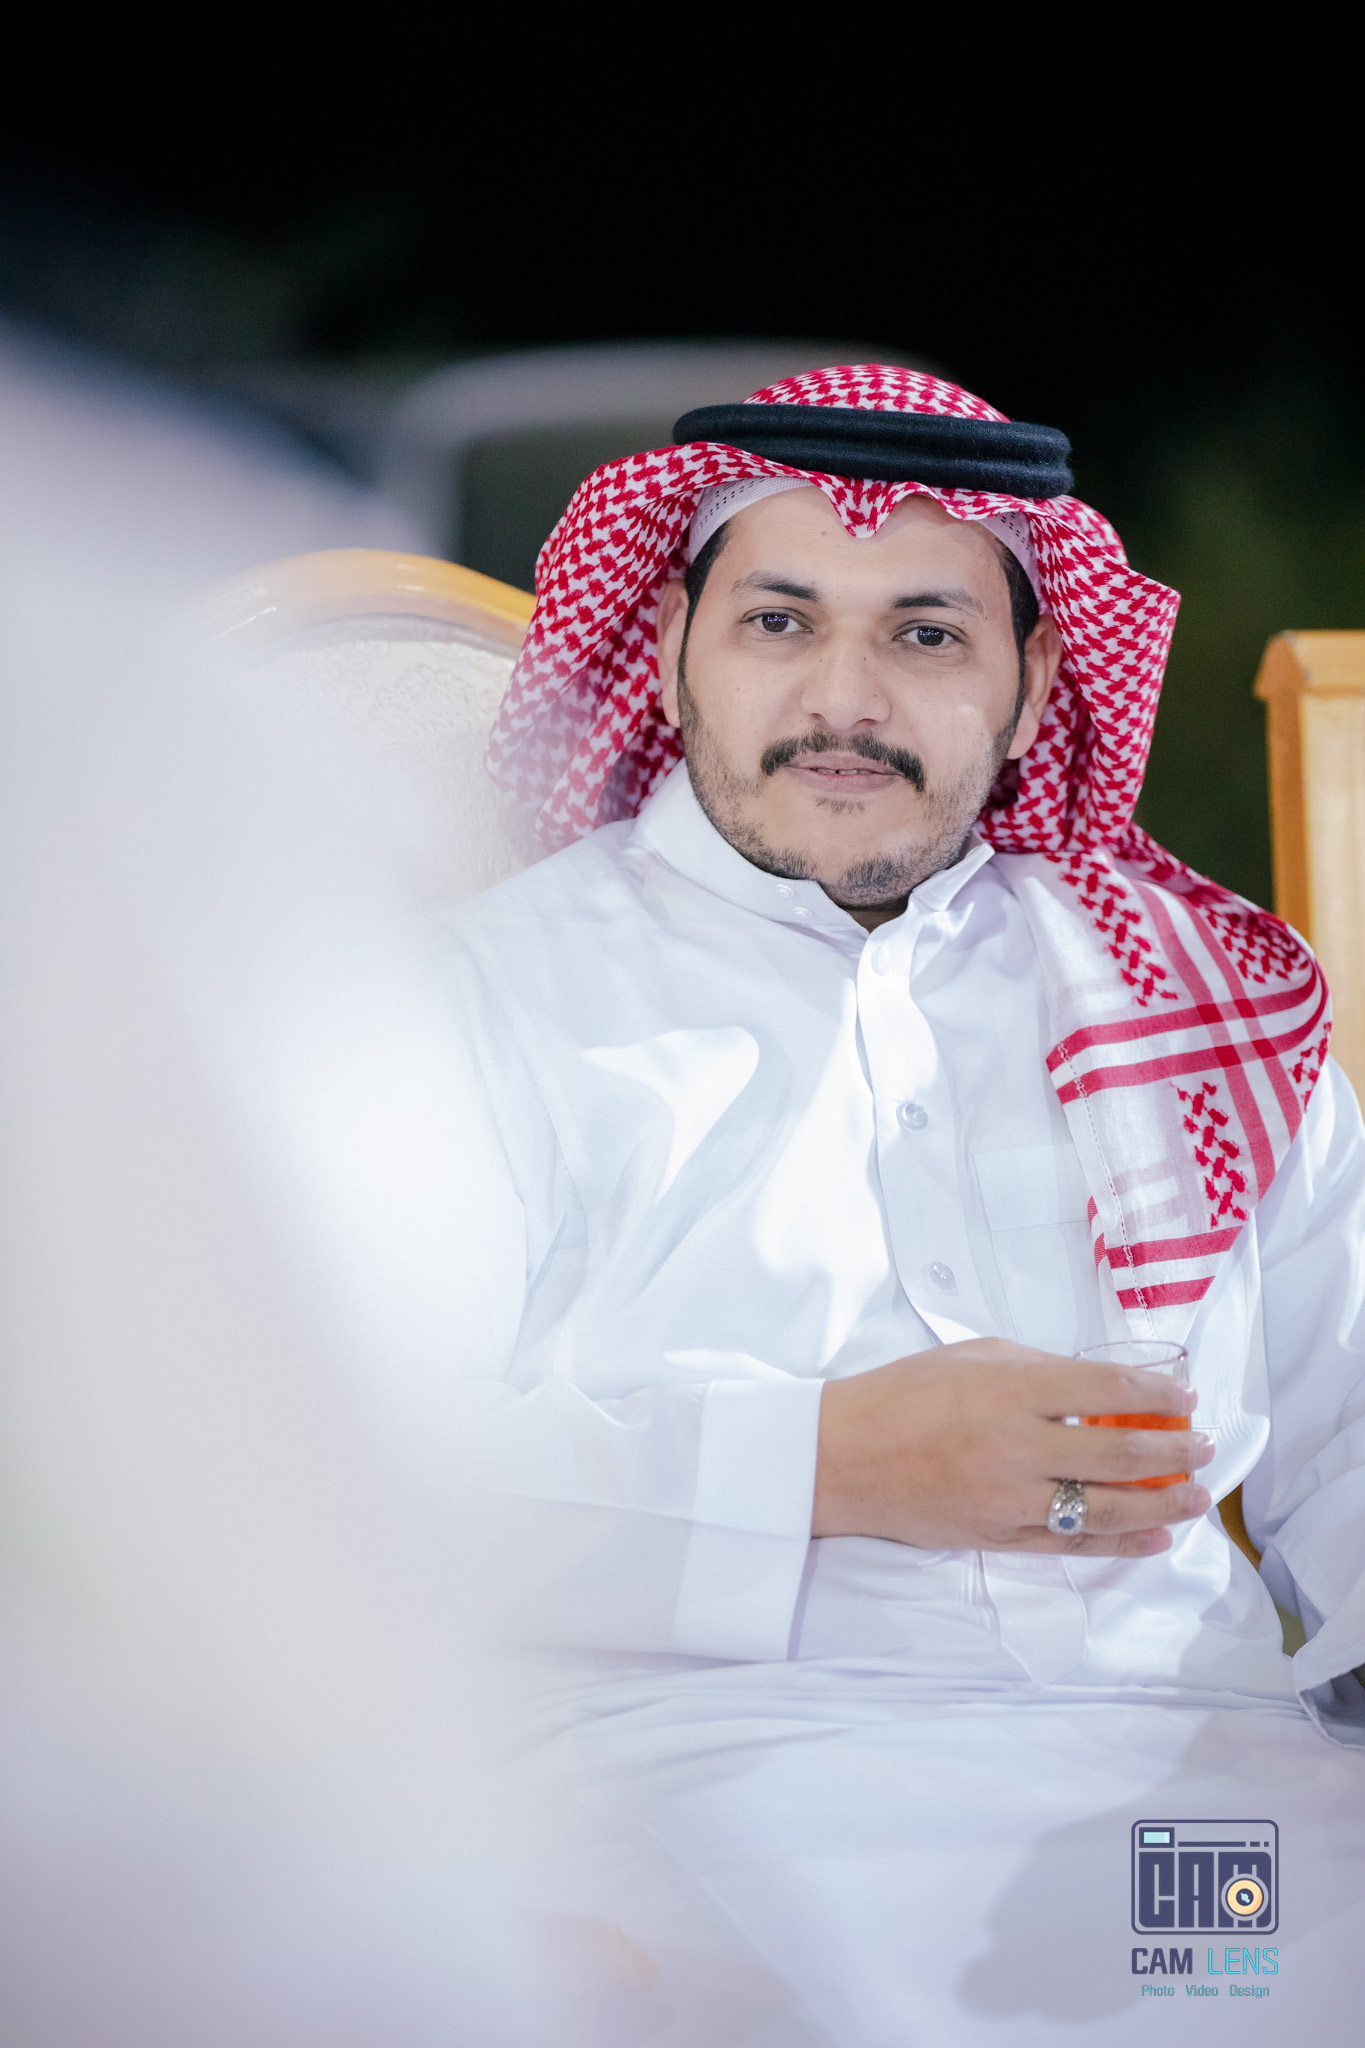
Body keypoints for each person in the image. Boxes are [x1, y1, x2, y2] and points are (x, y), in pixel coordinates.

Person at [442, 367, 1365, 2043]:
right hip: (701, 1773)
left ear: (1033, 685)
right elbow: (332, 1492)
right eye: (778, 621)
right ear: (671, 644)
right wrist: (825, 1466)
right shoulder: (475, 999)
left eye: (926, 635)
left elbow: (1348, 1438)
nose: (843, 701)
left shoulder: (1203, 997)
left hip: (1202, 1786)